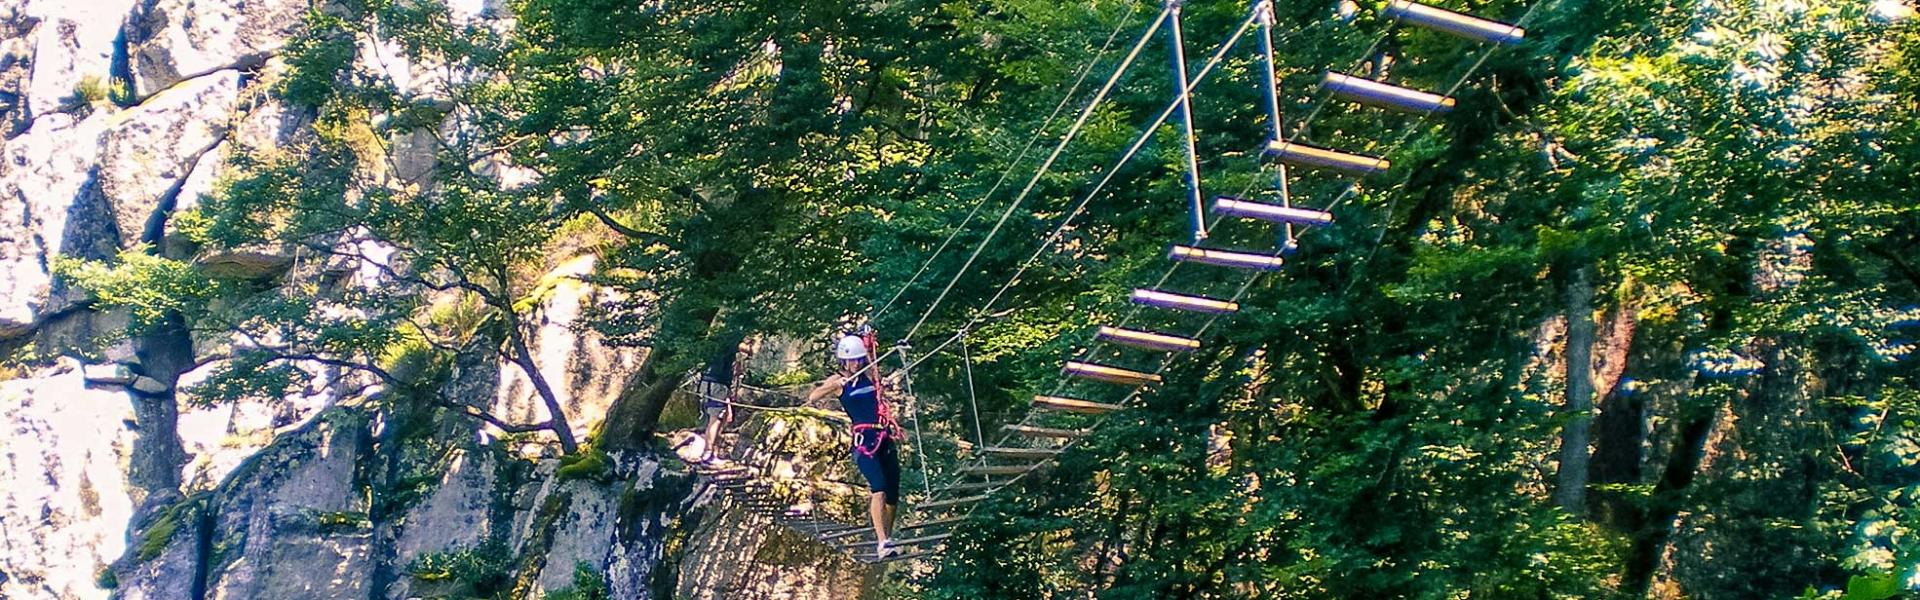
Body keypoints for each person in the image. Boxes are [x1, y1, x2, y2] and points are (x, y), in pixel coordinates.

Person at [807, 334, 902, 559]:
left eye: (859, 359)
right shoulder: (838, 380)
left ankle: (887, 539)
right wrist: (834, 386)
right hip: (864, 443)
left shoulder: (870, 376)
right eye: (852, 361)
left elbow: (876, 388)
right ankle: (882, 542)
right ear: (843, 361)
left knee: (892, 494)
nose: (856, 364)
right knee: (878, 488)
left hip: (883, 437)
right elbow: (812, 397)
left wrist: (884, 383)